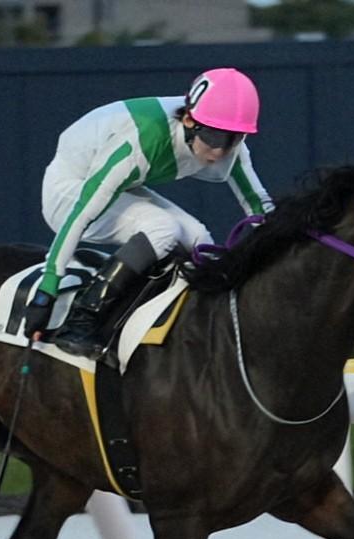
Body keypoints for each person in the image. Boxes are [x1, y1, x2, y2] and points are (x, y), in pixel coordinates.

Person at [24, 67, 274, 361]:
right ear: (189, 120)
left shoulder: (224, 138)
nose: (221, 151)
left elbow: (259, 205)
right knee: (163, 228)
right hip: (70, 189)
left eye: (234, 138)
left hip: (119, 184)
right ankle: (81, 321)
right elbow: (81, 214)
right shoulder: (144, 140)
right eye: (214, 136)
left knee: (200, 240)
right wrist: (47, 290)